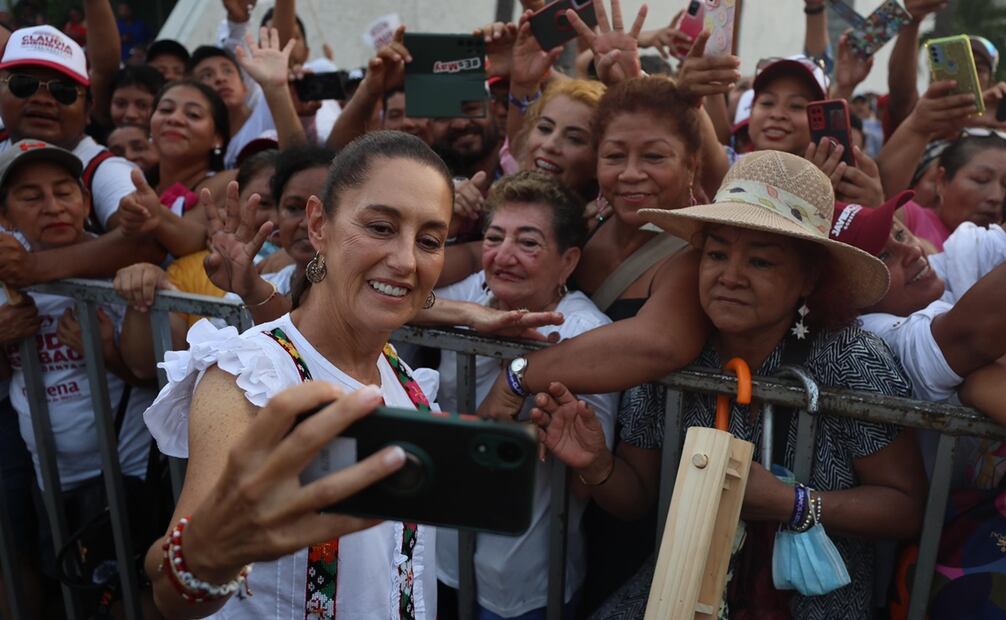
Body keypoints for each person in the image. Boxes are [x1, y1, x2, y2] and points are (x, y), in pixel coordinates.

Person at [533, 150, 927, 619]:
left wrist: (792, 503)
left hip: (814, 604)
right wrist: (596, 465)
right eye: (717, 254)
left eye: (761, 263)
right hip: (679, 589)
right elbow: (635, 497)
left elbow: (905, 506)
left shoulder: (851, 358)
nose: (730, 277)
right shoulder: (678, 356)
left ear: (808, 278)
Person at [142, 131, 454, 618]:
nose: (406, 260)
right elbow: (170, 592)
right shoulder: (249, 376)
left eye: (430, 240)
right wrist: (207, 554)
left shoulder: (408, 385)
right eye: (379, 227)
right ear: (318, 225)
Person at [434, 171, 618, 619]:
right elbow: (396, 296)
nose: (504, 256)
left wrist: (520, 375)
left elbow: (585, 479)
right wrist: (469, 315)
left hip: (526, 582)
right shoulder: (476, 291)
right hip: (442, 561)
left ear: (569, 261)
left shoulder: (583, 331)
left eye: (529, 243)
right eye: (495, 238)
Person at [0, 140, 158, 610]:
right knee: (69, 596)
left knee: (134, 597)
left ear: (86, 202)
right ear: (6, 216)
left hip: (122, 480)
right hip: (48, 482)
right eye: (30, 197)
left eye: (64, 192)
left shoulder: (122, 268)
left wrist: (105, 350)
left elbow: (151, 373)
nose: (52, 207)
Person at [0, 24, 165, 286]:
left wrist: (33, 268)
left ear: (88, 109)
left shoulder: (104, 169)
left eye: (62, 91)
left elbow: (146, 240)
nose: (42, 99)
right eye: (23, 84)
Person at [115, 79, 231, 259]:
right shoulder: (140, 189)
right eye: (166, 110)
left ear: (217, 138)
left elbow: (197, 239)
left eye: (193, 114)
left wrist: (158, 216)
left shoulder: (229, 181)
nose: (174, 119)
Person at [899, 132, 1006, 251]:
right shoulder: (907, 218)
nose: (997, 197)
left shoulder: (999, 252)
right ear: (941, 180)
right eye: (981, 179)